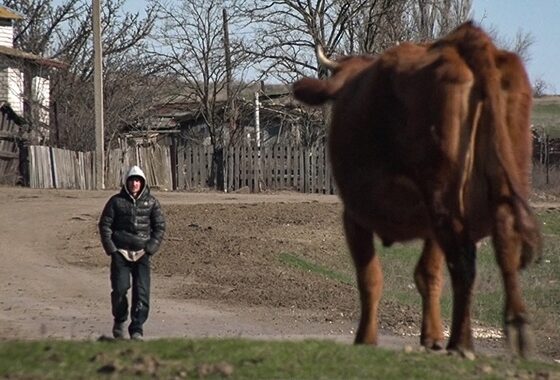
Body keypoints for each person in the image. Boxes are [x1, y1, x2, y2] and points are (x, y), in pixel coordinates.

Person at [98, 165, 166, 340]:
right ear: (126, 183)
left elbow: (159, 227)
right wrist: (111, 249)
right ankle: (119, 320)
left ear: (142, 183)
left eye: (138, 181)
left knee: (142, 292)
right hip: (121, 252)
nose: (135, 184)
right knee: (120, 289)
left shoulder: (151, 202)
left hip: (142, 253)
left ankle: (137, 328)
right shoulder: (115, 202)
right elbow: (105, 225)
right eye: (132, 181)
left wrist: (150, 247)